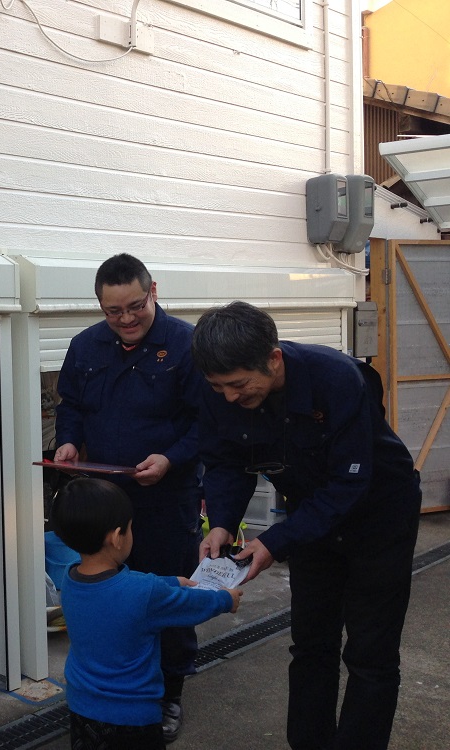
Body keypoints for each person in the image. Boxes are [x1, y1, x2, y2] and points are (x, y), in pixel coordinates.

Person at [191, 301, 421, 750]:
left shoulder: (337, 379)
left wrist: (275, 541)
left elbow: (348, 484)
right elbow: (225, 460)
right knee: (312, 644)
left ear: (274, 359)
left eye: (239, 384)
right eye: (219, 387)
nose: (230, 397)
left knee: (370, 653)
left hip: (379, 515)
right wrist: (221, 523)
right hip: (311, 517)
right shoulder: (219, 389)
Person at [53, 253, 204, 742]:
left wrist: (171, 459)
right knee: (108, 595)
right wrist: (68, 441)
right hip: (104, 501)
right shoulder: (85, 346)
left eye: (135, 306)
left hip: (165, 499)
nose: (126, 319)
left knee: (166, 591)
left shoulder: (186, 345)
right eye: (113, 311)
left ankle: (169, 692)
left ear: (153, 291)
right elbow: (71, 406)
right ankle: (111, 684)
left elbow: (207, 422)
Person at [50, 477, 241, 750]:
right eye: (130, 528)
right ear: (117, 537)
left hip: (82, 711)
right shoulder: (144, 594)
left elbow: (126, 587)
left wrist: (172, 582)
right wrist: (225, 599)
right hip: (133, 721)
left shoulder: (70, 580)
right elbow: (190, 604)